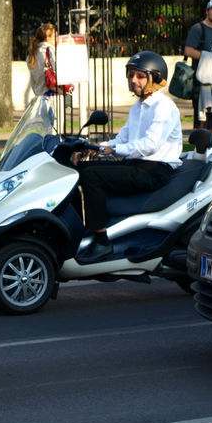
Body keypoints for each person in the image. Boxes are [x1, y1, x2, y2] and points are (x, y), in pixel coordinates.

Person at [74, 51, 183, 264]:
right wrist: (96, 147)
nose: (134, 80)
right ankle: (82, 231)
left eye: (140, 76)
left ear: (156, 78)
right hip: (137, 165)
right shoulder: (138, 107)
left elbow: (150, 145)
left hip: (155, 170)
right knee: (80, 170)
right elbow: (121, 138)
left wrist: (113, 150)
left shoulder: (164, 107)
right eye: (132, 75)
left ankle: (101, 241)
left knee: (92, 176)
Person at [184, 0, 212, 131]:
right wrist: (209, 57)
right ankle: (199, 150)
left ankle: (211, 150)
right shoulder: (198, 29)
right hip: (202, 81)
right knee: (201, 119)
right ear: (207, 11)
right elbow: (188, 50)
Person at [26, 23, 58, 96]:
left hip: (39, 95)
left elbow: (33, 80)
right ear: (48, 38)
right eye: (55, 36)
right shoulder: (50, 50)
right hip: (52, 95)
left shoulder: (32, 55)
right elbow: (58, 72)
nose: (57, 38)